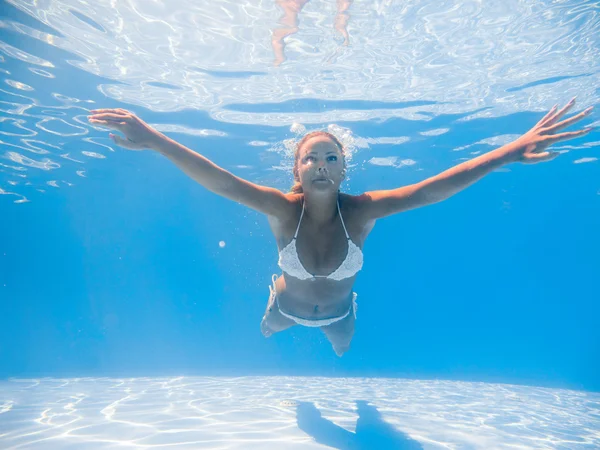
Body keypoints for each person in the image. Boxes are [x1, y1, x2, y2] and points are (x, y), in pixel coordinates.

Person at [88, 98, 593, 356]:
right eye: (312, 158)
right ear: (297, 171)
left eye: (333, 157)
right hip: (286, 306)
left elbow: (431, 189)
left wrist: (508, 151)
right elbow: (220, 181)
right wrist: (153, 138)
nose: (322, 164)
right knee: (267, 329)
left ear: (344, 169)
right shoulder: (283, 208)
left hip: (338, 313)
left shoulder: (362, 209)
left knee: (343, 347)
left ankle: (331, 329)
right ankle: (272, 306)